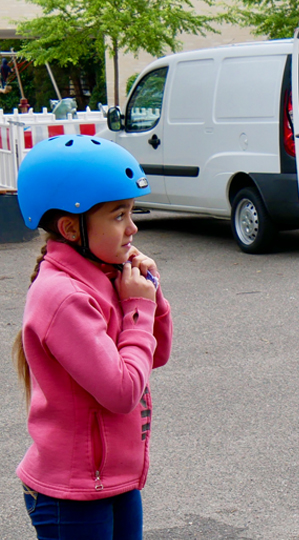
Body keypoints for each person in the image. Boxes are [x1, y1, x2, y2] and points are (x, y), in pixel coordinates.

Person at [12, 135, 173, 539]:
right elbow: (122, 392)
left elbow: (157, 354)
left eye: (132, 212)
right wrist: (138, 308)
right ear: (71, 228)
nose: (133, 227)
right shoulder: (63, 296)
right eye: (119, 215)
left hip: (112, 481)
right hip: (73, 496)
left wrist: (151, 294)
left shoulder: (104, 276)